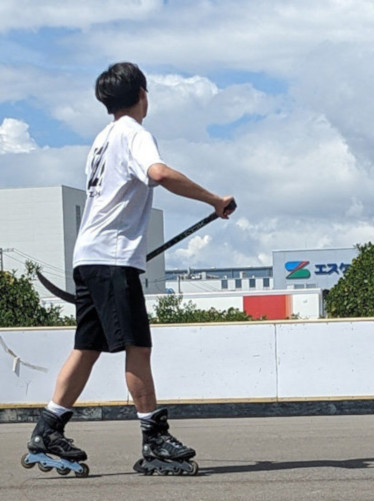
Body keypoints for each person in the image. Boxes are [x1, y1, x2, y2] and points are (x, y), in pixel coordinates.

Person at [26, 62, 236, 475]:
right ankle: (155, 438)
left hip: (89, 256)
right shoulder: (135, 134)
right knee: (138, 346)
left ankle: (47, 430)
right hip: (111, 259)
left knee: (86, 349)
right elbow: (157, 173)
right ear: (143, 93)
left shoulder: (101, 141)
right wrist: (213, 199)